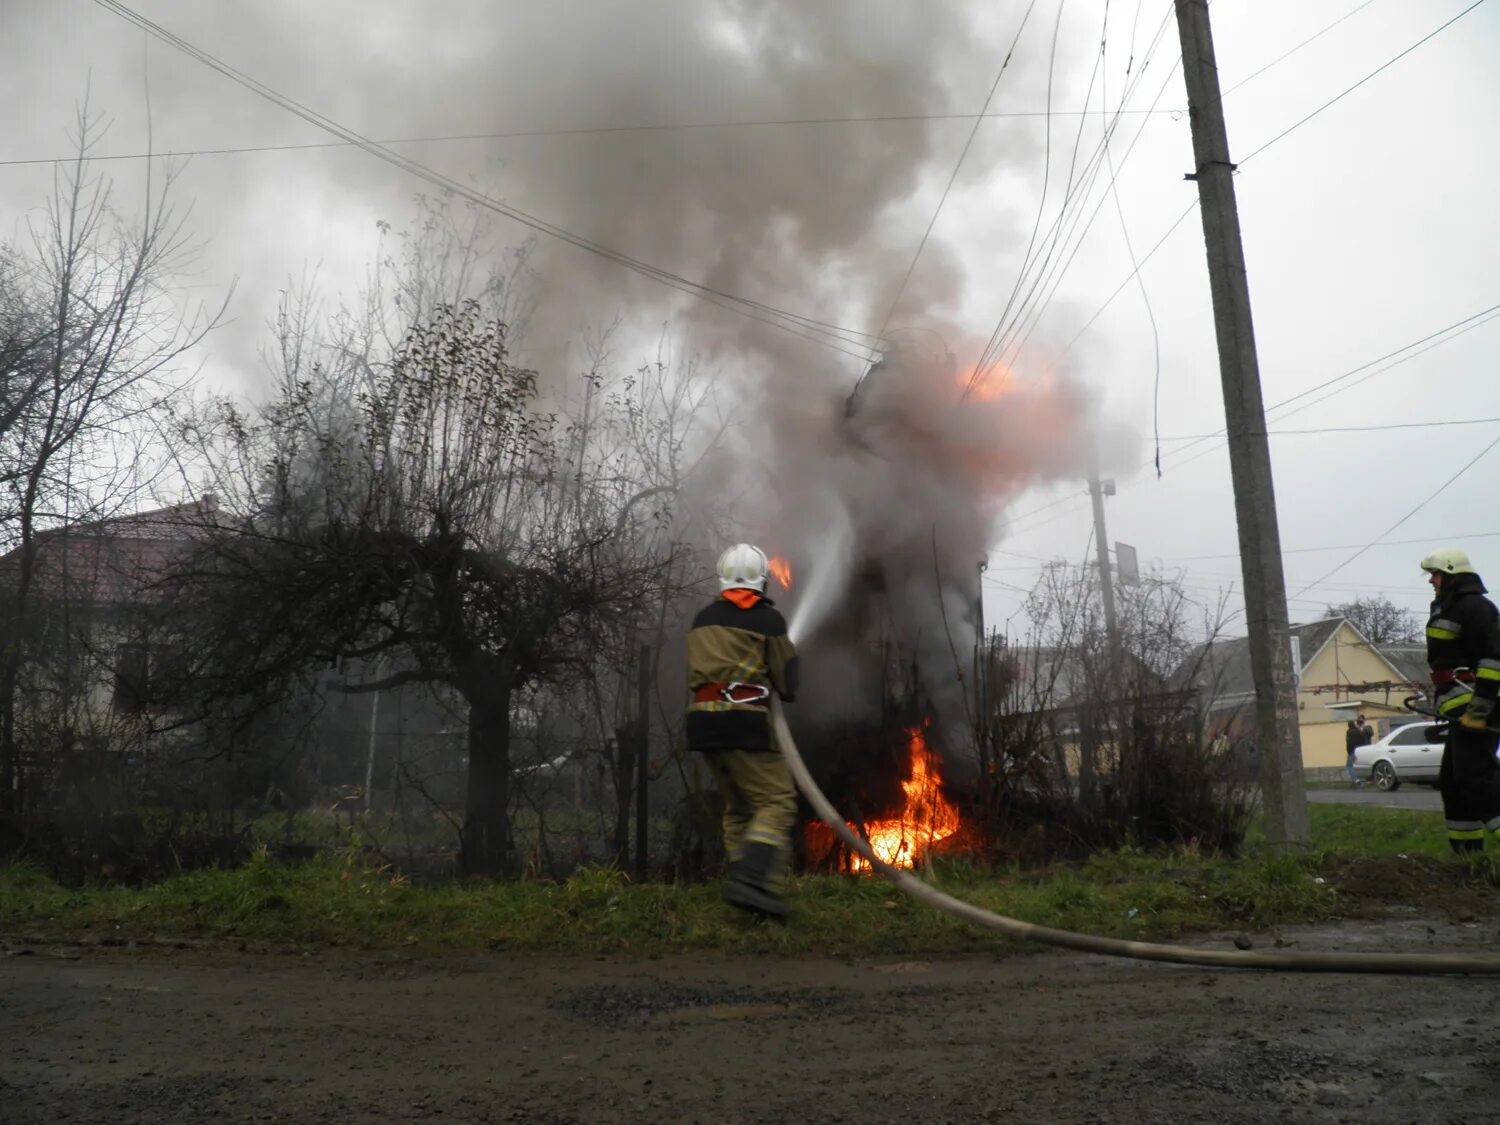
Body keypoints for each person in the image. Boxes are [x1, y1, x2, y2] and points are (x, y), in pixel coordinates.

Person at [685, 543, 800, 917]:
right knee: (777, 801)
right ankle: (752, 881)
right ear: (762, 580)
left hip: (703, 724)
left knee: (738, 808)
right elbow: (788, 680)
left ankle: (743, 892)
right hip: (743, 722)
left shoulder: (702, 619)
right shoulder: (768, 621)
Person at [1420, 548, 1500, 853]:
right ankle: (1468, 858)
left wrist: (1480, 708)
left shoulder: (1476, 608)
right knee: (1453, 782)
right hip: (1461, 707)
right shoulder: (1448, 607)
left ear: (1452, 575)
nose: (1431, 580)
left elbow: (1494, 660)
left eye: (1436, 574)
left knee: (1476, 779)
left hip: (1481, 706)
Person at [1344, 719, 1365, 788]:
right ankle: (1362, 781)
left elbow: (1349, 742)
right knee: (1358, 766)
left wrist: (1349, 751)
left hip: (1352, 751)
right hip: (1360, 751)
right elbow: (1363, 740)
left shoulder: (1349, 732)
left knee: (1349, 766)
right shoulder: (1359, 731)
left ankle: (1356, 780)